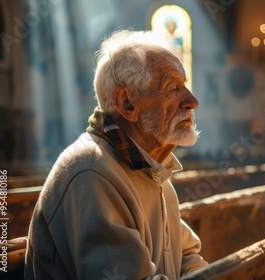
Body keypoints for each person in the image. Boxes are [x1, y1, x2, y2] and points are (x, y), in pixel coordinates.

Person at [24, 30, 208, 279]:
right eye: (173, 88)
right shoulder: (91, 173)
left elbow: (186, 255)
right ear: (127, 103)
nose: (192, 101)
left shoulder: (152, 169)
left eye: (184, 85)